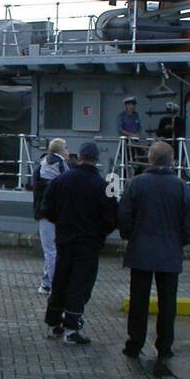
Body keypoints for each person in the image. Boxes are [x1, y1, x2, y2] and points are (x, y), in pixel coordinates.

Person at [118, 140, 190, 371]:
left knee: (139, 300)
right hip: (170, 252)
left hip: (141, 251)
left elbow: (124, 215)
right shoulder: (181, 186)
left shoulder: (137, 183)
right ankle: (164, 345)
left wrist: (129, 235)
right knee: (168, 303)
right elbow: (189, 219)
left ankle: (134, 343)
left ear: (150, 159)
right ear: (171, 161)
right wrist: (181, 241)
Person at [43, 140, 117, 345]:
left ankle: (52, 323)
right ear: (97, 159)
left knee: (60, 282)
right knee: (80, 285)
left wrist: (61, 223)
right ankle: (71, 327)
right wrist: (100, 233)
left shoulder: (61, 180)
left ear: (80, 157)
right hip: (89, 244)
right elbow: (112, 218)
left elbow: (46, 208)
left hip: (64, 240)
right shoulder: (104, 186)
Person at [32, 138, 69, 294]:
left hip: (43, 212)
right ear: (61, 150)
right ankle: (56, 286)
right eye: (66, 148)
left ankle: (46, 283)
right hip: (57, 213)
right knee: (53, 252)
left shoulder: (42, 164)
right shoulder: (61, 165)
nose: (68, 151)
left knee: (49, 250)